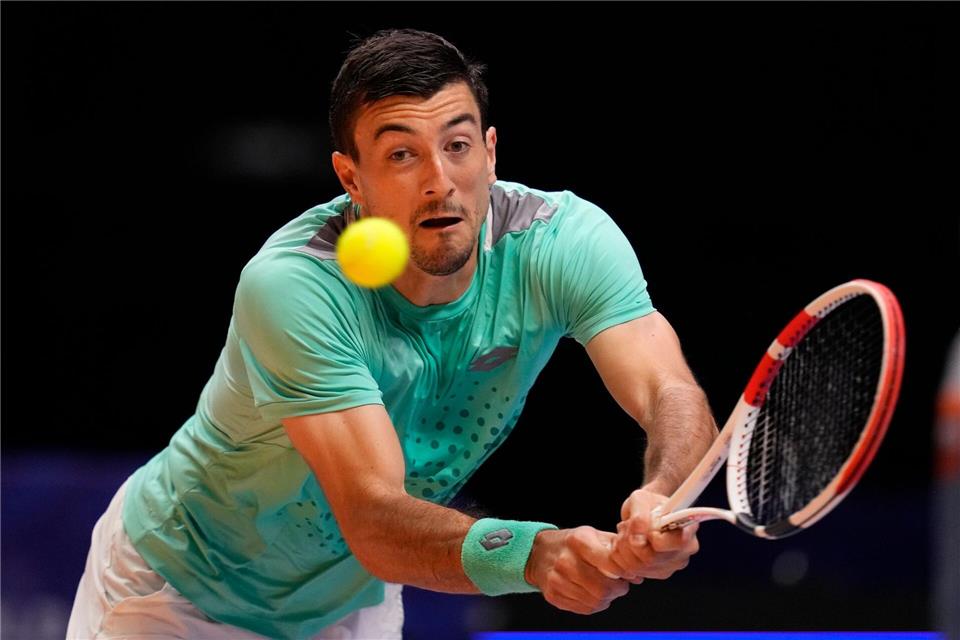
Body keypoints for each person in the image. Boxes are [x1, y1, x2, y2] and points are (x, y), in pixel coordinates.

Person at [67, 28, 717, 640]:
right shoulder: (295, 286)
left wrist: (665, 494)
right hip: (181, 590)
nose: (438, 181)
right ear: (352, 179)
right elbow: (374, 519)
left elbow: (670, 390)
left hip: (350, 601)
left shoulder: (562, 241)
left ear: (490, 153)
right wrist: (535, 554)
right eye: (401, 154)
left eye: (457, 146)